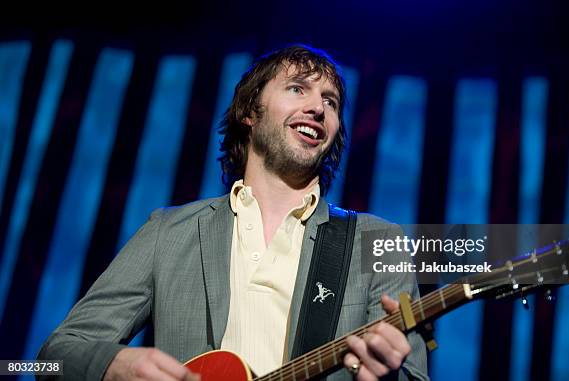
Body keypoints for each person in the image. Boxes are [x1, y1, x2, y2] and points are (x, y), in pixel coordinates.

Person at [38, 45, 429, 381]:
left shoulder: (379, 243)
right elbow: (52, 358)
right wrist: (117, 365)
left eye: (330, 102)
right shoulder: (168, 231)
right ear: (250, 112)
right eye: (298, 89)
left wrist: (387, 375)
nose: (317, 108)